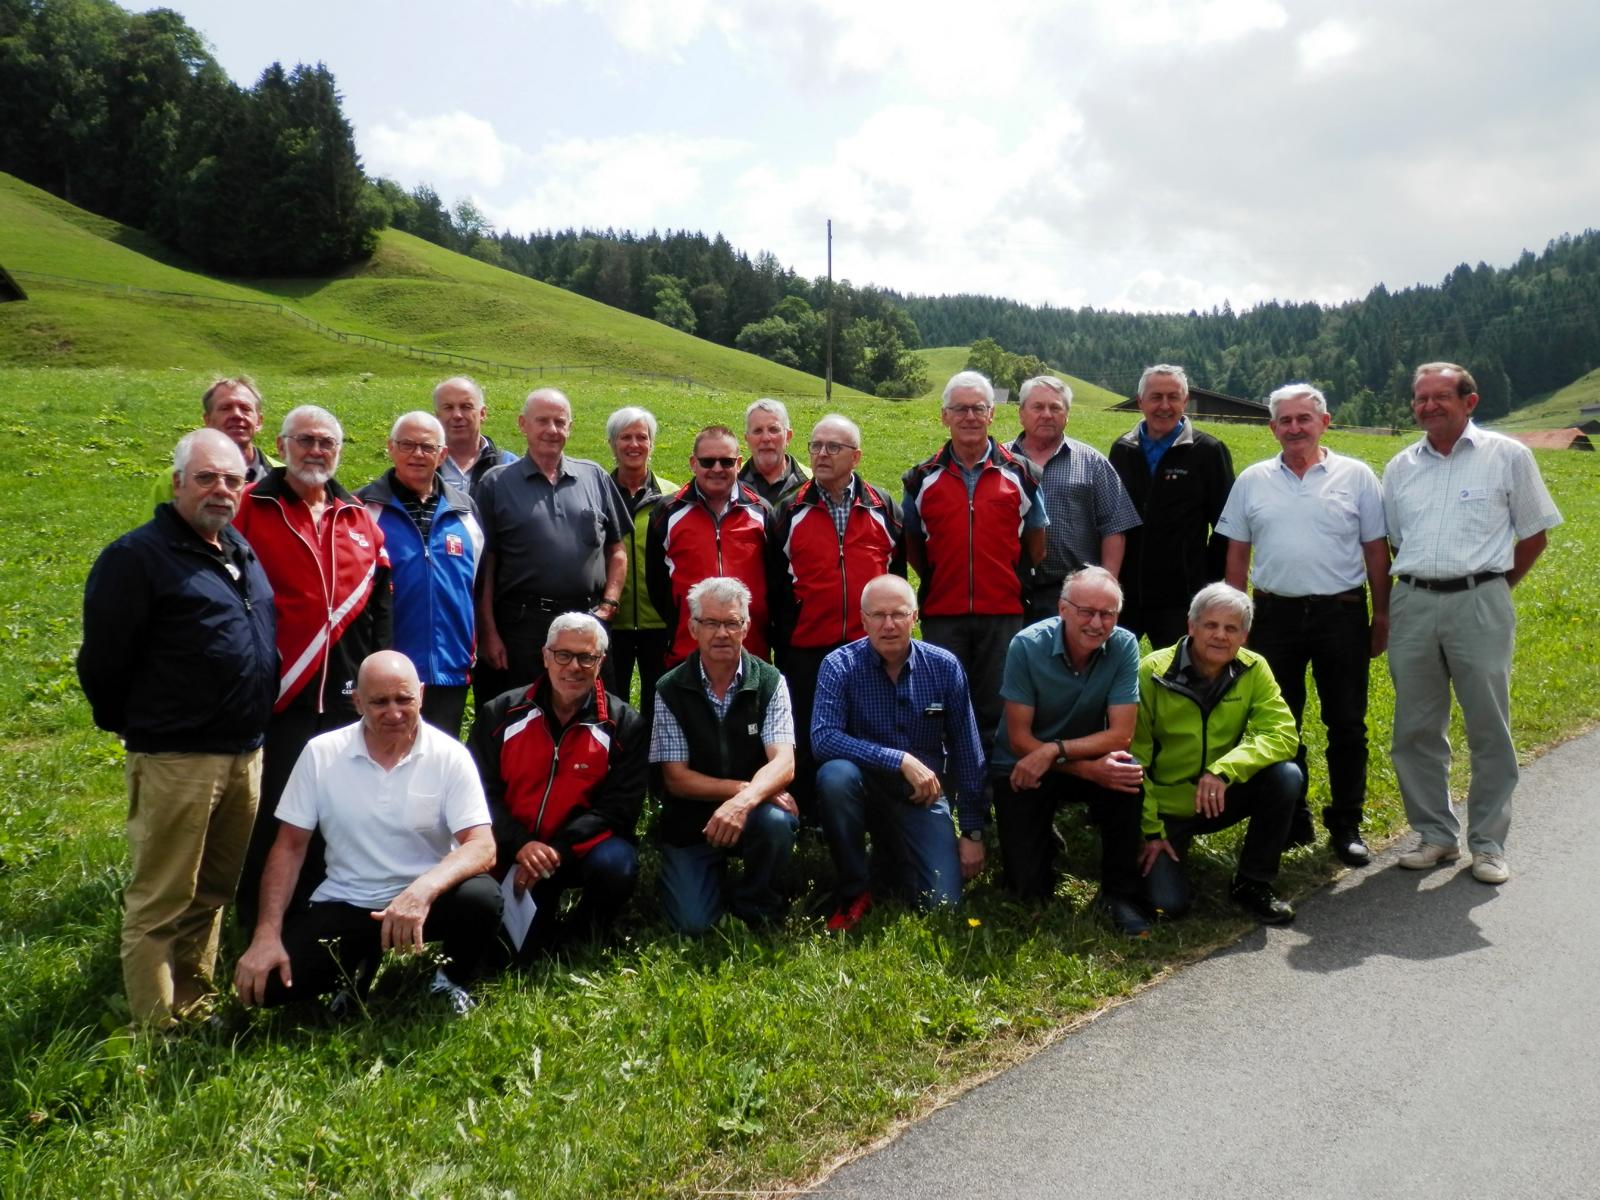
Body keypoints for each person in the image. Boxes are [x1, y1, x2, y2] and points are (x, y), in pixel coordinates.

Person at [80, 429, 277, 1028]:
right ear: (177, 483)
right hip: (176, 757)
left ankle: (194, 1002)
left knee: (213, 890)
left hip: (243, 752)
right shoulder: (137, 558)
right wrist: (146, 728)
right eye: (207, 478)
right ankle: (155, 1028)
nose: (221, 490)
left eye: (233, 480)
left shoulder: (237, 549)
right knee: (161, 897)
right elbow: (103, 663)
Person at [234, 651, 500, 1015]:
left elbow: (482, 846)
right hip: (349, 901)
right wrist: (266, 934)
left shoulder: (449, 755)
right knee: (265, 990)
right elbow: (289, 847)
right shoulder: (321, 753)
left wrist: (422, 891)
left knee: (482, 898)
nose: (393, 713)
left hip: (426, 903)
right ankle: (359, 965)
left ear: (421, 694)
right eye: (379, 702)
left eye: (404, 699)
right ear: (357, 702)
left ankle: (450, 980)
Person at [1383, 362, 1562, 885]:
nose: (1429, 406)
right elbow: (1398, 539)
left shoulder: (1508, 457)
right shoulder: (1400, 466)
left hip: (1480, 601)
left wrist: (1493, 589)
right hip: (1414, 602)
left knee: (1489, 727)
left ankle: (1487, 844)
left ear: (1470, 401)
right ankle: (1436, 836)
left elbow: (1534, 535)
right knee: (1415, 728)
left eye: (1441, 396)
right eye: (1421, 398)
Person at [232, 404, 392, 930]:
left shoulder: (359, 518)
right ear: (281, 445)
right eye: (306, 441)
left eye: (327, 442)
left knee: (338, 812)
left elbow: (378, 608)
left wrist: (378, 679)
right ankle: (259, 921)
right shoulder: (250, 509)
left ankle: (321, 915)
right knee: (276, 811)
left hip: (347, 697)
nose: (316, 451)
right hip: (282, 694)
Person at [1219, 383, 1389, 866]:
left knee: (1347, 723)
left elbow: (1376, 550)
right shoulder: (1253, 479)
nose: (1294, 428)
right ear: (1272, 428)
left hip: (1342, 614)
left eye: (1303, 419)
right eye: (1285, 421)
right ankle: (1291, 816)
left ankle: (1347, 822)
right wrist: (1236, 620)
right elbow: (1237, 553)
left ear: (1324, 422)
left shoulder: (1356, 476)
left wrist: (1383, 616)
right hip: (1274, 616)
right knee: (1279, 723)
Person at [811, 575, 985, 931]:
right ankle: (855, 888)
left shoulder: (944, 666)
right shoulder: (838, 666)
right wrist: (900, 760)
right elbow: (823, 739)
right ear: (863, 620)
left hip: (921, 798)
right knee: (834, 776)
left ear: (915, 617)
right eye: (878, 615)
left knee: (943, 905)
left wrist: (972, 833)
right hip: (863, 790)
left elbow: (969, 752)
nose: (888, 624)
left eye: (898, 614)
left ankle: (891, 858)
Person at [471, 614, 647, 959]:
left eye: (587, 657)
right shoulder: (501, 713)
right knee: (507, 956)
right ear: (546, 656)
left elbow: (619, 809)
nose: (574, 667)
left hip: (576, 851)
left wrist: (555, 850)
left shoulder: (624, 724)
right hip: (510, 849)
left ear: (601, 662)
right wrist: (520, 844)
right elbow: (476, 793)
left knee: (618, 865)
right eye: (563, 655)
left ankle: (582, 934)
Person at [990, 568, 1149, 935]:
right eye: (1086, 611)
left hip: (1066, 754)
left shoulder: (1124, 645)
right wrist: (1084, 768)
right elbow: (1019, 740)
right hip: (1022, 765)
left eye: (1107, 614)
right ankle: (1042, 842)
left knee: (1126, 772)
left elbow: (1121, 735)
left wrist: (1056, 751)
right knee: (1029, 890)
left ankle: (1120, 894)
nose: (1096, 623)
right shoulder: (1027, 646)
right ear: (1062, 608)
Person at [1132, 584, 1301, 925]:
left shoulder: (1255, 669)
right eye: (1210, 625)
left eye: (1231, 628)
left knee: (1286, 775)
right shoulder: (1151, 672)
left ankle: (1253, 882)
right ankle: (1158, 851)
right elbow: (1134, 759)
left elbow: (1283, 735)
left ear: (1244, 636)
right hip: (1165, 809)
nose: (1220, 636)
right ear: (1191, 626)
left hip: (1218, 795)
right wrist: (1150, 830)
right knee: (1169, 907)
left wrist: (1223, 771)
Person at [902, 370, 1047, 762]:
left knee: (996, 711)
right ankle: (948, 800)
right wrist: (938, 576)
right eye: (959, 409)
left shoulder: (1022, 474)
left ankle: (992, 802)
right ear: (944, 416)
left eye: (977, 408)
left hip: (1003, 613)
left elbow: (1036, 543)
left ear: (991, 414)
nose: (969, 416)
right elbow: (913, 543)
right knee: (941, 707)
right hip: (942, 613)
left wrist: (1006, 576)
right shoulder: (920, 478)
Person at [769, 414, 904, 812]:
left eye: (833, 447)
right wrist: (787, 634)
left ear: (856, 456)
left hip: (871, 645)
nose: (821, 454)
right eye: (815, 446)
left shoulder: (883, 506)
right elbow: (775, 583)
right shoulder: (787, 510)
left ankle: (876, 808)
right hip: (809, 644)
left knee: (873, 727)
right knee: (812, 730)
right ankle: (811, 813)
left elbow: (896, 576)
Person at [650, 577, 798, 934]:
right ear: (692, 627)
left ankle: (757, 903)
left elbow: (783, 761)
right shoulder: (669, 688)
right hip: (690, 821)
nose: (722, 633)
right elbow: (676, 778)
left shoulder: (770, 681)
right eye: (711, 623)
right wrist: (742, 793)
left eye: (732, 623)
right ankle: (706, 874)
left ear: (746, 628)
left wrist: (744, 804)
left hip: (754, 814)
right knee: (693, 925)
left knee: (776, 823)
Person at [474, 388, 631, 707]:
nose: (551, 430)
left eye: (560, 422)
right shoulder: (496, 483)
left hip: (588, 619)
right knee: (522, 711)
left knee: (597, 713)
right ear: (523, 424)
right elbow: (485, 567)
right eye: (542, 421)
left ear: (570, 427)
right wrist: (488, 632)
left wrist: (609, 605)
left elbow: (616, 549)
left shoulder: (594, 476)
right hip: (523, 626)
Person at [357, 411, 484, 738]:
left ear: (442, 454)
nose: (417, 454)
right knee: (384, 762)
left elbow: (479, 585)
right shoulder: (362, 509)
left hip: (449, 669)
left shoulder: (466, 512)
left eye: (427, 447)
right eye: (407, 445)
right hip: (387, 671)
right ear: (390, 448)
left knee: (436, 767)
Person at [1109, 364, 1235, 649]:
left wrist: (1206, 583)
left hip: (1181, 600)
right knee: (1112, 675)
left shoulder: (1208, 451)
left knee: (1180, 679)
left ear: (1185, 401)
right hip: (1125, 594)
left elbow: (1226, 526)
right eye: (1156, 397)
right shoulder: (1122, 449)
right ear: (1140, 401)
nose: (1164, 406)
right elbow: (1110, 518)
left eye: (1173, 397)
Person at [1009, 376, 1141, 621]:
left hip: (1075, 594)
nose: (1047, 414)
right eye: (1038, 407)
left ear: (1067, 414)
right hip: (1009, 590)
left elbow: (1114, 527)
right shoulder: (1000, 463)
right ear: (1021, 413)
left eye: (1055, 407)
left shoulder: (1092, 462)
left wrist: (1106, 585)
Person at [646, 426, 775, 667]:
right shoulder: (667, 512)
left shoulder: (762, 511)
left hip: (750, 652)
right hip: (687, 653)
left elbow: (775, 581)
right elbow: (657, 585)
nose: (717, 469)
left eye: (726, 462)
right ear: (693, 463)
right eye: (707, 462)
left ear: (738, 463)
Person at [605, 405, 677, 726]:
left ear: (652, 443)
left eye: (641, 437)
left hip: (660, 624)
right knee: (611, 707)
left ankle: (657, 775)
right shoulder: (598, 492)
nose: (634, 445)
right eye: (625, 437)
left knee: (660, 708)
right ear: (612, 444)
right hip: (612, 624)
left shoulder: (673, 496)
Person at [147, 376, 280, 509]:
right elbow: (152, 529)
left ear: (259, 421)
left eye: (245, 408)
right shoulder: (178, 477)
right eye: (225, 408)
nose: (237, 415)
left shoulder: (285, 478)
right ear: (208, 420)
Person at [433, 375, 516, 497]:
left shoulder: (509, 465)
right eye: (448, 408)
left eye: (466, 407)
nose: (457, 415)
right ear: (437, 417)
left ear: (482, 414)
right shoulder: (424, 465)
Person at [738, 397, 811, 506]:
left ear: (788, 437)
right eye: (758, 431)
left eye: (774, 430)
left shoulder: (811, 481)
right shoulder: (733, 481)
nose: (766, 438)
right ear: (747, 439)